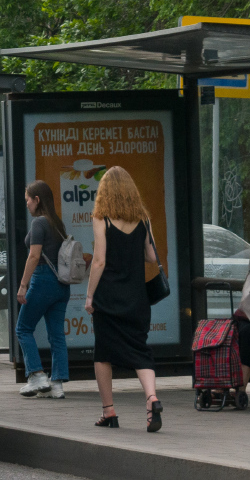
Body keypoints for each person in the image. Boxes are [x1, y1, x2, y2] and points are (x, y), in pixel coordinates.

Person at [84, 166, 163, 432]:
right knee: (140, 350)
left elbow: (99, 261)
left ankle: (109, 412)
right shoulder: (142, 218)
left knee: (103, 353)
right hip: (137, 297)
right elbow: (151, 256)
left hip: (108, 298)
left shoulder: (101, 218)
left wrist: (89, 296)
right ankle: (152, 399)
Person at [15, 180, 72, 399]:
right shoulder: (57, 223)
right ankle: (57, 384)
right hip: (61, 285)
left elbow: (34, 255)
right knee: (57, 335)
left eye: (28, 200)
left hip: (43, 280)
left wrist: (23, 285)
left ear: (37, 200)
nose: (27, 204)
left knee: (23, 328)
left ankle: (37, 375)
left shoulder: (39, 223)